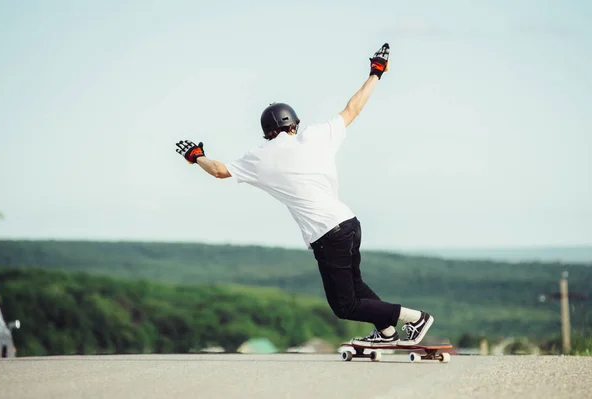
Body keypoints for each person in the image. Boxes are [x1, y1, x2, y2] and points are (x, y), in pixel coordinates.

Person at [175, 43, 434, 347]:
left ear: (267, 132)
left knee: (345, 305)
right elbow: (354, 108)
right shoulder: (317, 135)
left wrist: (196, 156)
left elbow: (218, 170)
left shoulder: (260, 156)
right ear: (294, 124)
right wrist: (375, 73)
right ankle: (386, 333)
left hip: (327, 233)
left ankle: (415, 318)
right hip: (349, 223)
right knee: (356, 286)